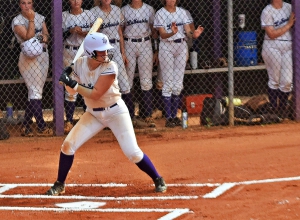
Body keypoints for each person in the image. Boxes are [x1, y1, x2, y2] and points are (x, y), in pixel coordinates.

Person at [45, 33, 167, 195]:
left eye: (105, 51)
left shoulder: (111, 67)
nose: (105, 54)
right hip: (93, 114)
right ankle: (60, 183)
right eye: (101, 51)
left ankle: (158, 178)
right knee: (68, 145)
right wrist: (67, 79)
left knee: (132, 153)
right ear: (90, 53)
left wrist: (73, 83)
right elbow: (71, 91)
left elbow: (95, 94)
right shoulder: (79, 64)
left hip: (115, 112)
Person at [90, 0, 147, 128]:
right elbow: (93, 34)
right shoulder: (94, 12)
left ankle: (130, 118)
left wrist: (123, 52)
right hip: (102, 48)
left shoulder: (117, 10)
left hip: (115, 47)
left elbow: (119, 32)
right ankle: (104, 121)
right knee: (104, 84)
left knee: (124, 83)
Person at [154, 0, 204, 127]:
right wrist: (173, 32)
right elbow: (162, 35)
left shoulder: (182, 12)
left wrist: (194, 35)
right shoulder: (160, 13)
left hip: (181, 45)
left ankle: (175, 116)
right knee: (168, 82)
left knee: (178, 83)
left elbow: (188, 31)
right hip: (167, 46)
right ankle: (168, 117)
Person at [12, 0, 52, 137]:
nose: (27, 6)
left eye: (29, 3)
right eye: (23, 3)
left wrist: (43, 39)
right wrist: (31, 20)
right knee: (35, 91)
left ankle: (25, 125)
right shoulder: (17, 20)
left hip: (43, 55)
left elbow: (46, 35)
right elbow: (28, 37)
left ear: (33, 3)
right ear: (19, 5)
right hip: (28, 58)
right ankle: (41, 126)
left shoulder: (40, 17)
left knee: (36, 92)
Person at [121, 0, 159, 128]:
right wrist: (123, 51)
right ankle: (128, 116)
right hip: (129, 43)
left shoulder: (149, 9)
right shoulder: (124, 10)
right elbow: (120, 31)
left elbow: (154, 32)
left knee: (146, 80)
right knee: (127, 81)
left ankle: (147, 115)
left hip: (145, 43)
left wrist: (156, 49)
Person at [62, 0, 96, 134]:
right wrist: (70, 31)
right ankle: (69, 121)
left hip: (85, 51)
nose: (76, 2)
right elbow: (58, 35)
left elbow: (95, 32)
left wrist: (84, 33)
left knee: (88, 84)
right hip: (68, 52)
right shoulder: (64, 15)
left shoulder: (89, 14)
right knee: (71, 86)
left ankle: (91, 119)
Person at [261, 0, 295, 119]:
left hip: (289, 47)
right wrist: (289, 24)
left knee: (287, 81)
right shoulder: (267, 10)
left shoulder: (290, 7)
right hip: (272, 46)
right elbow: (271, 34)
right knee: (274, 79)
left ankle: (281, 111)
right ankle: (274, 110)